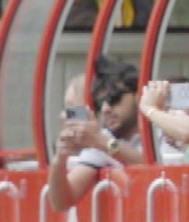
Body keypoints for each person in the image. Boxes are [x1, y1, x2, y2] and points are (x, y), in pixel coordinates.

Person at [43, 58, 143, 211]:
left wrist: (102, 142)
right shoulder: (100, 140)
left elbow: (154, 166)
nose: (105, 109)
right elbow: (61, 203)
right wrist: (59, 161)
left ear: (138, 95)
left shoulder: (161, 130)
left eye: (113, 99)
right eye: (100, 102)